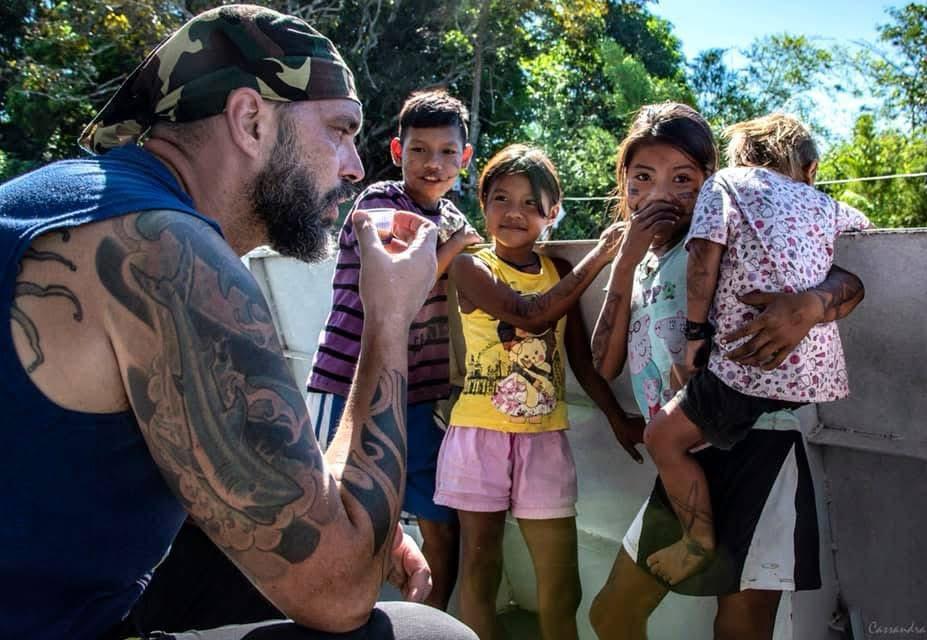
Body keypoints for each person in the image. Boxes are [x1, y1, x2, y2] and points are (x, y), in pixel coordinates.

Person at [0, 5, 477, 640]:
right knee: (430, 634)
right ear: (251, 120)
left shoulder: (70, 196)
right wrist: (388, 318)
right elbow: (342, 593)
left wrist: (332, 518)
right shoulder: (164, 250)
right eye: (339, 130)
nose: (355, 167)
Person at [588, 103, 867, 640]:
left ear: (712, 180)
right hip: (685, 457)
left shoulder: (730, 238)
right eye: (642, 178)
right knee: (612, 615)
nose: (661, 194)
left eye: (682, 179)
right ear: (623, 182)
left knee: (741, 629)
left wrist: (811, 304)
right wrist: (624, 262)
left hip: (759, 445)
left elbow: (848, 281)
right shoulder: (641, 262)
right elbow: (605, 364)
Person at [434, 144, 644, 640]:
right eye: (502, 199)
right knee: (480, 569)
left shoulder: (560, 273)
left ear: (553, 213)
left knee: (562, 585)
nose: (515, 212)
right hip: (478, 436)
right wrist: (601, 255)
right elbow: (529, 316)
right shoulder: (471, 267)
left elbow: (580, 359)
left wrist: (617, 418)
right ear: (483, 205)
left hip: (544, 439)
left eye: (532, 203)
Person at [305, 88, 481, 611]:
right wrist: (458, 245)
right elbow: (404, 281)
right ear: (397, 151)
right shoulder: (381, 203)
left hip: (421, 393)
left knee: (440, 522)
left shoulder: (450, 216)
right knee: (338, 516)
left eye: (447, 152)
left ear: (465, 158)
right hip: (349, 385)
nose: (434, 163)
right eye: (419, 150)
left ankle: (431, 623)